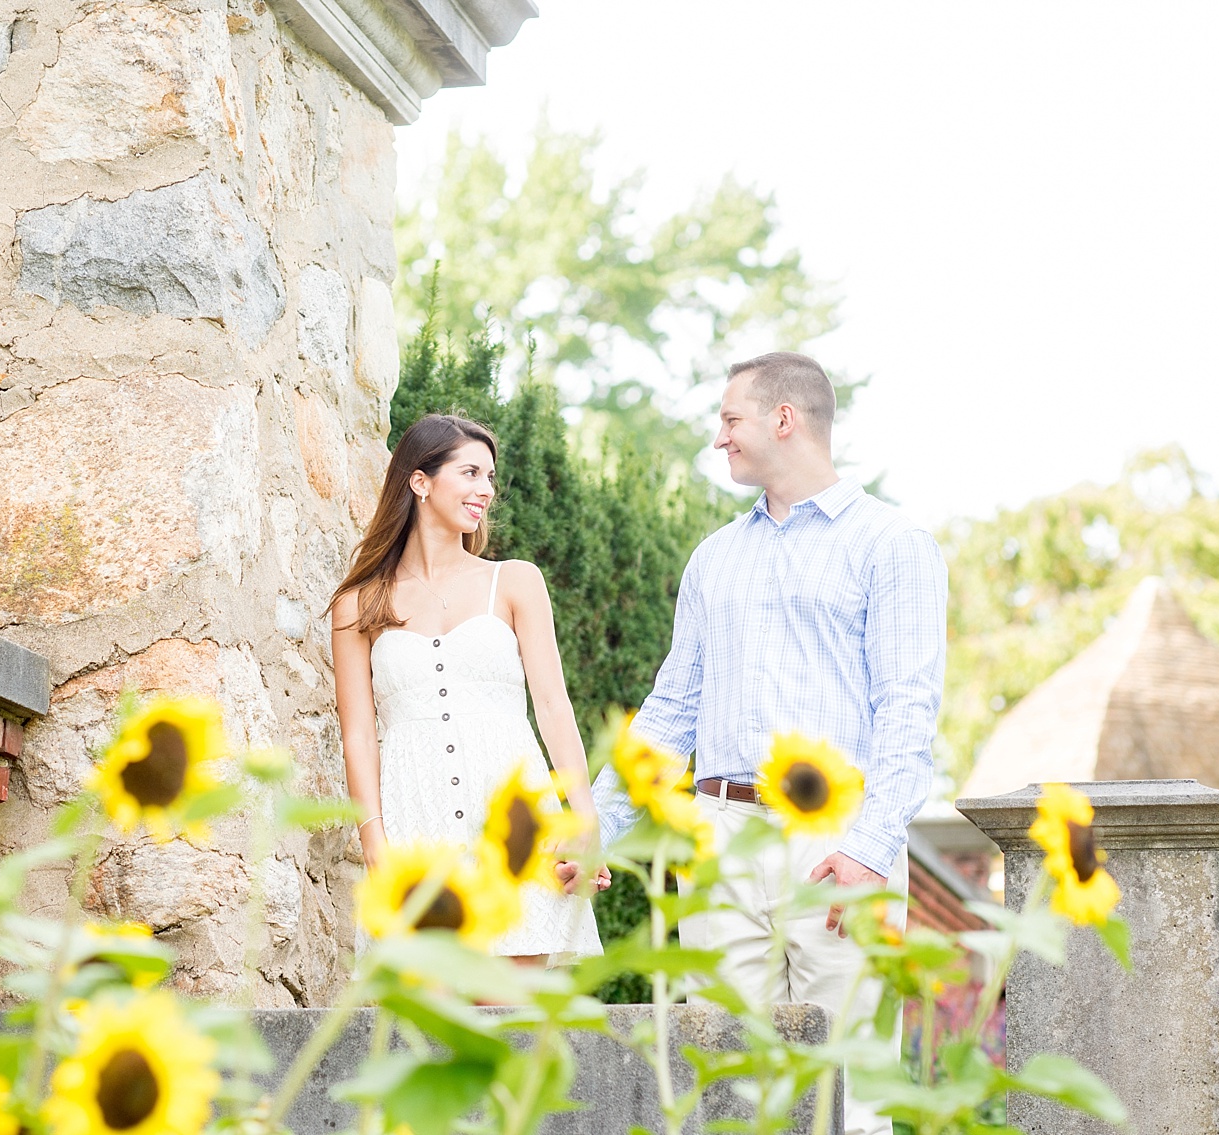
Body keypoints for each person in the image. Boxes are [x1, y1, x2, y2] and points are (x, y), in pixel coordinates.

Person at [591, 352, 947, 1135]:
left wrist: (871, 846)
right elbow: (671, 709)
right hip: (720, 834)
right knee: (724, 1075)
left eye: (729, 420)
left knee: (853, 1082)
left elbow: (908, 711)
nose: (720, 439)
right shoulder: (714, 558)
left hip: (839, 839)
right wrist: (597, 826)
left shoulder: (892, 544)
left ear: (783, 419)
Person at [331, 413, 605, 964]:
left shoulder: (516, 581)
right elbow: (358, 735)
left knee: (517, 1029)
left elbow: (553, 707)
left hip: (515, 818)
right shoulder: (358, 605)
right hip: (415, 823)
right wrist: (374, 845)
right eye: (471, 472)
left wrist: (584, 821)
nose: (487, 490)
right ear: (420, 480)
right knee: (428, 1027)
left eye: (490, 477)